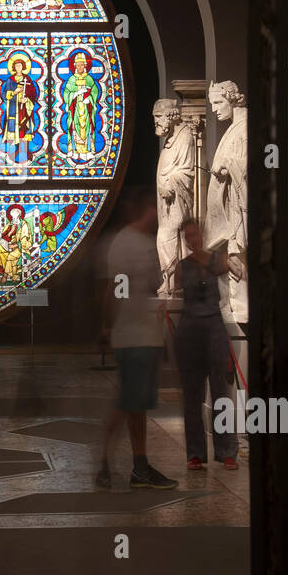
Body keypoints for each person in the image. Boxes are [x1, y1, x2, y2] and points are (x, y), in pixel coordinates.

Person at [96, 187, 177, 490]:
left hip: (145, 334)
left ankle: (139, 465)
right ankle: (103, 460)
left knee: (137, 404)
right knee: (129, 401)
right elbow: (114, 290)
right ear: (147, 209)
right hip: (132, 336)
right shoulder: (126, 244)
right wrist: (109, 326)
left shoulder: (145, 242)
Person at [173, 218, 239, 471]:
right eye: (187, 236)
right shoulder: (182, 266)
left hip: (213, 327)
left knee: (221, 392)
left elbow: (234, 273)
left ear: (202, 233)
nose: (192, 239)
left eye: (194, 234)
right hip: (190, 330)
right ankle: (195, 454)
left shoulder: (216, 261)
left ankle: (227, 452)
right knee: (192, 395)